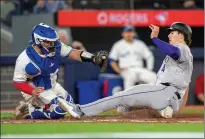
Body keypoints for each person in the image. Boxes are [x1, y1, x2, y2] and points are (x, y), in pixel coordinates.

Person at [64, 22, 193, 119]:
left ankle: (81, 110)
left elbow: (173, 51)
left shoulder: (182, 48)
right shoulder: (185, 56)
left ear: (181, 35)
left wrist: (154, 38)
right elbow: (186, 87)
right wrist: (178, 108)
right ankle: (163, 109)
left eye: (172, 33)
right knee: (123, 110)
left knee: (121, 97)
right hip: (167, 95)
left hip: (165, 92)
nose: (169, 35)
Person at [13, 23, 108, 119]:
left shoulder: (57, 46)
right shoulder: (24, 59)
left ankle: (29, 108)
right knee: (58, 111)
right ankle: (31, 111)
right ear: (38, 41)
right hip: (37, 88)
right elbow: (18, 82)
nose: (53, 44)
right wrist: (32, 90)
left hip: (52, 84)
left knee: (70, 104)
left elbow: (73, 53)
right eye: (49, 42)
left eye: (53, 41)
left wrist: (93, 58)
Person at [109, 25, 156, 90]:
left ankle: (150, 98)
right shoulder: (118, 45)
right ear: (123, 34)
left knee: (153, 77)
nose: (129, 34)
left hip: (139, 69)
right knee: (130, 77)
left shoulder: (140, 44)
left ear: (134, 33)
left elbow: (149, 56)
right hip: (127, 70)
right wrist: (118, 70)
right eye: (126, 32)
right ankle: (128, 99)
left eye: (130, 32)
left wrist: (149, 69)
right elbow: (111, 59)